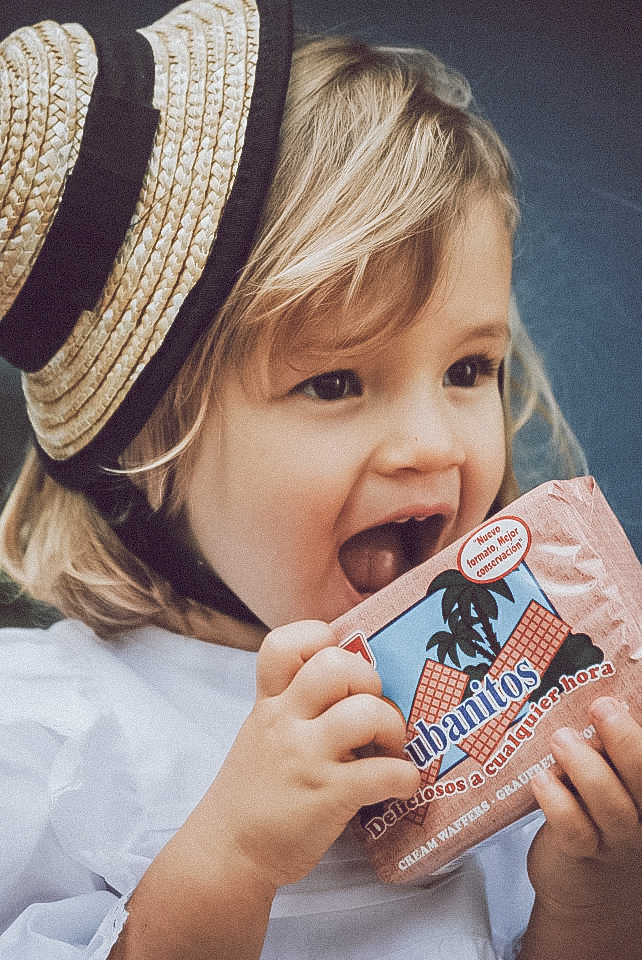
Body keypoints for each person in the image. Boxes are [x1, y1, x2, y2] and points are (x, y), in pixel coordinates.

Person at [0, 2, 640, 958]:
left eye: (469, 370)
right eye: (334, 381)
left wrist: (595, 903)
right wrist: (234, 856)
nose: (433, 444)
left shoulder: (519, 714)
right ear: (150, 451)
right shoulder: (48, 732)